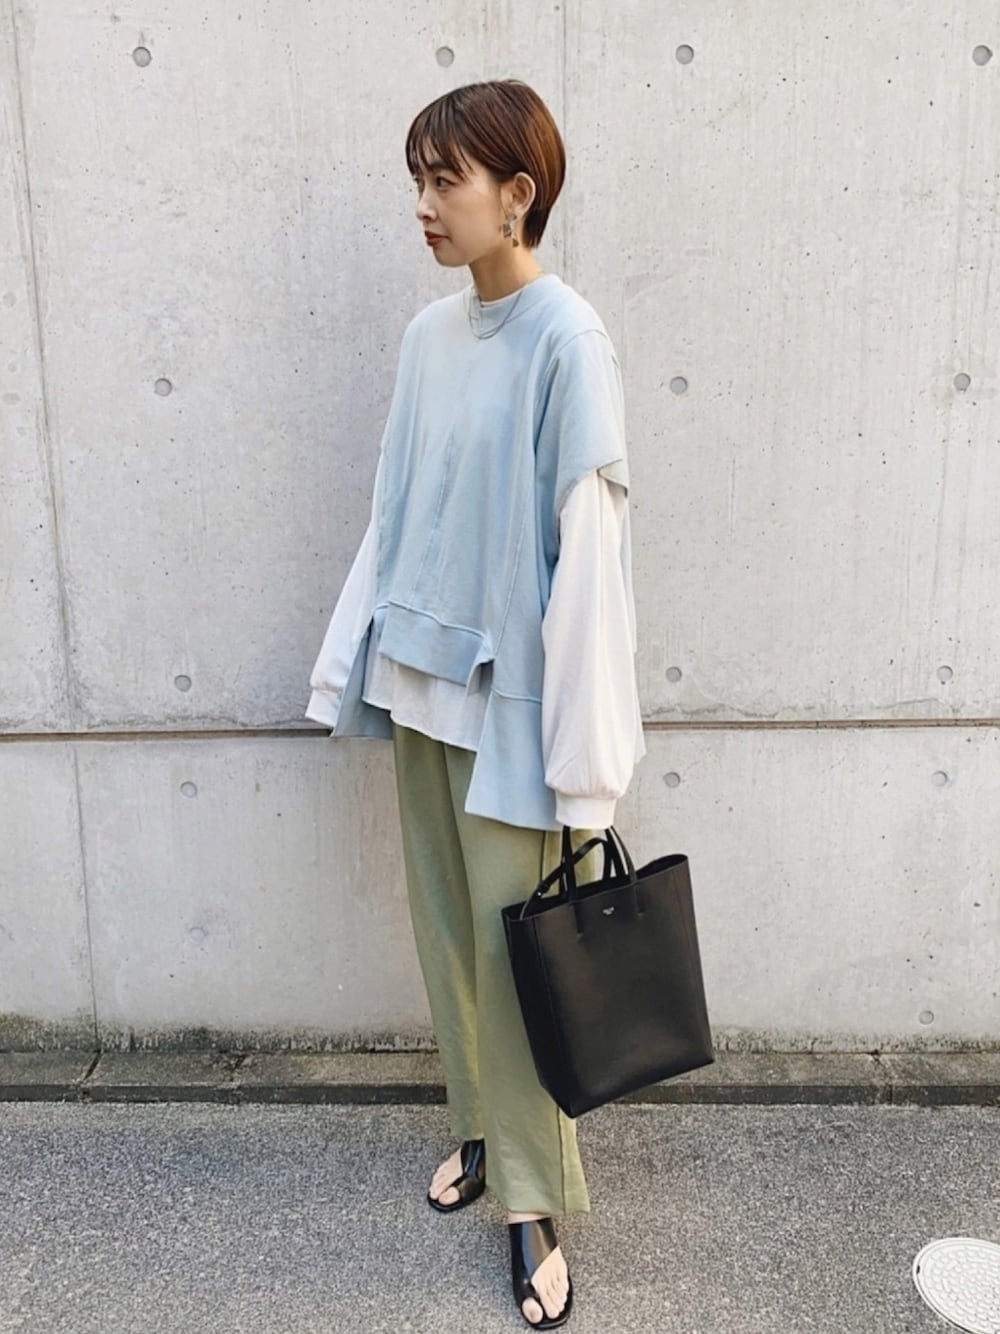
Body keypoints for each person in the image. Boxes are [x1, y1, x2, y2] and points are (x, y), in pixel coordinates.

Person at [305, 78, 646, 1329]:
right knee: (449, 940)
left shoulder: (568, 340)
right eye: (419, 177)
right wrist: (352, 660)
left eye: (445, 178)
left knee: (518, 965)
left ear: (518, 193)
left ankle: (533, 1201)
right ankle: (480, 1126)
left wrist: (586, 765)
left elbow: (590, 557)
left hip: (510, 714)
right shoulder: (426, 337)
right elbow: (395, 508)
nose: (424, 203)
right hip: (419, 684)